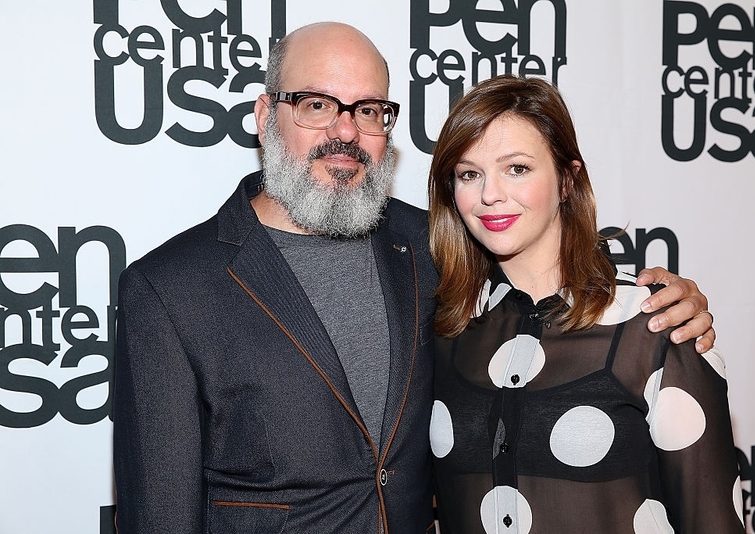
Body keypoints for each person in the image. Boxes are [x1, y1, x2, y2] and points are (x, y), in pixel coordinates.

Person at [113, 22, 716, 533]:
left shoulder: (434, 247)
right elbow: (159, 513)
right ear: (266, 115)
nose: (345, 131)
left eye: (368, 110)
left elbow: (551, 279)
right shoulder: (170, 290)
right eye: (317, 104)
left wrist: (668, 303)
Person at [427, 74, 744, 533]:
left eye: (517, 168)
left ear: (566, 181)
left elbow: (712, 522)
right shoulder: (446, 327)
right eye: (469, 174)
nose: (489, 194)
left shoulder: (654, 325)